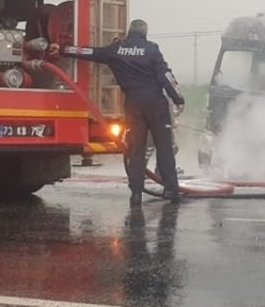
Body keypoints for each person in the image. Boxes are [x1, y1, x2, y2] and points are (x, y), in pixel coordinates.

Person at [60, 19, 185, 206]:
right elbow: (165, 75)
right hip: (156, 104)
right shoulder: (152, 49)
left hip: (133, 104)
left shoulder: (116, 49)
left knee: (136, 149)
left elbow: (90, 52)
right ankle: (171, 191)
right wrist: (178, 99)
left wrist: (64, 50)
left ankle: (136, 194)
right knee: (164, 147)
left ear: (129, 31)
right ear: (145, 33)